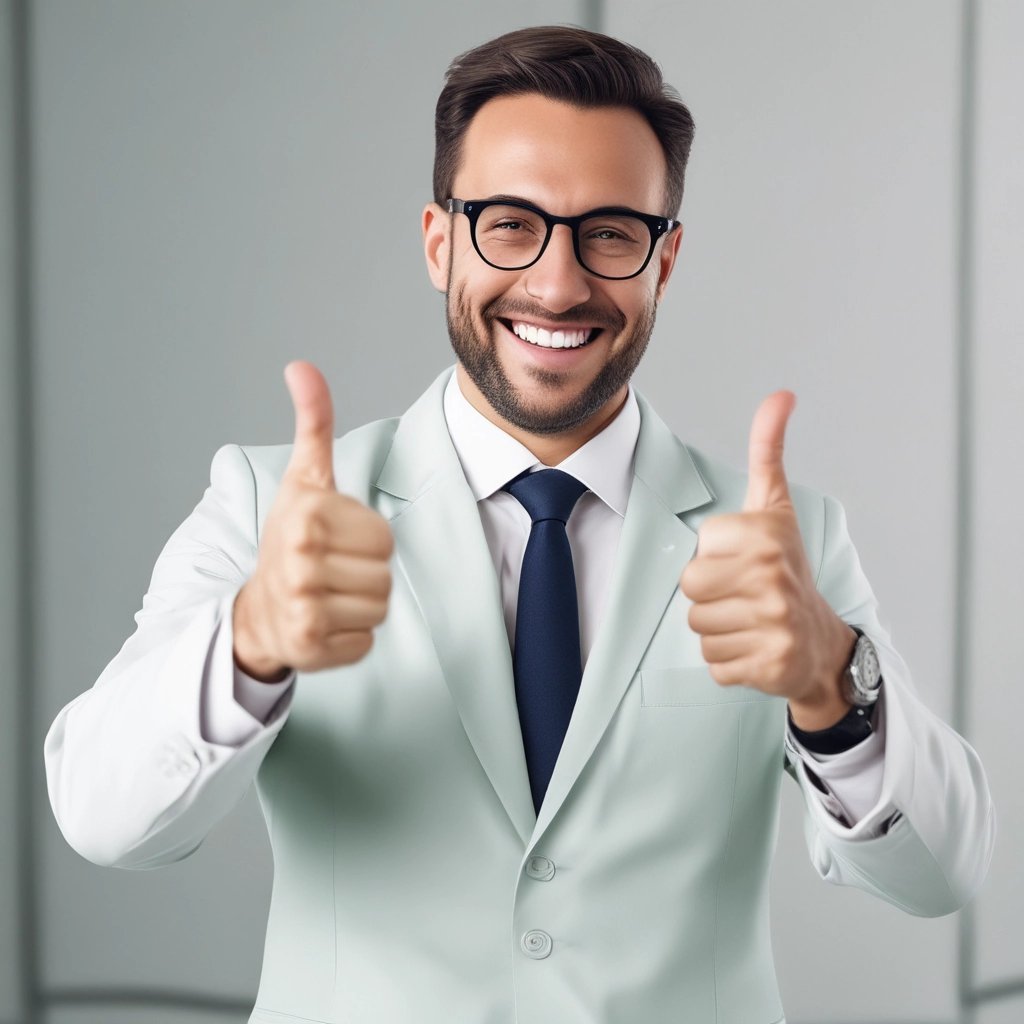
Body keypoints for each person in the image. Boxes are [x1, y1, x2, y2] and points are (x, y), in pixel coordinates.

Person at [44, 25, 994, 1024]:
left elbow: (939, 872)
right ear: (437, 240)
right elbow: (102, 818)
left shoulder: (783, 538)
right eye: (509, 223)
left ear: (664, 262)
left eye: (611, 232)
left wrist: (831, 682)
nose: (556, 282)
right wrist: (246, 645)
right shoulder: (265, 506)